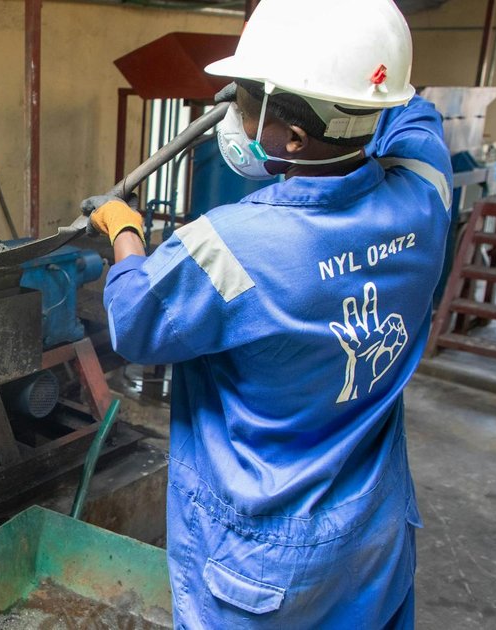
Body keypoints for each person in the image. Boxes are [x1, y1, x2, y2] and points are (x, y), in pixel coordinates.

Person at [82, 0, 452, 627]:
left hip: (265, 562)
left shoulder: (233, 244)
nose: (234, 113)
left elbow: (133, 321)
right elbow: (411, 112)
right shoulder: (424, 193)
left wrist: (125, 232)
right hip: (373, 533)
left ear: (294, 137)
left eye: (246, 102)